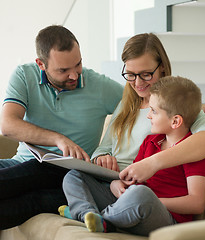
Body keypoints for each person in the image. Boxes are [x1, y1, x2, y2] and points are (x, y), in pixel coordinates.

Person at [0, 25, 123, 229]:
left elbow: (144, 105)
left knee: (32, 182)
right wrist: (58, 139)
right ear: (41, 64)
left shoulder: (101, 87)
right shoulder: (24, 75)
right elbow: (7, 125)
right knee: (27, 172)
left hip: (68, 176)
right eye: (63, 70)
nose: (74, 75)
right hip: (20, 164)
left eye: (78, 64)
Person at [63, 76, 205, 235]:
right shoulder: (150, 141)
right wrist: (116, 184)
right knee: (74, 175)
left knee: (142, 195)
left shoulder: (192, 152)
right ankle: (87, 214)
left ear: (175, 121)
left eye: (154, 111)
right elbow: (131, 180)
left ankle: (94, 217)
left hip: (163, 217)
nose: (148, 115)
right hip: (130, 205)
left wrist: (154, 201)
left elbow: (197, 203)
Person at [91, 33, 205, 180]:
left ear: (162, 68)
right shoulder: (125, 104)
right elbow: (103, 149)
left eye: (146, 74)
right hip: (111, 180)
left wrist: (152, 163)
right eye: (130, 75)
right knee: (73, 176)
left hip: (138, 185)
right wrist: (101, 157)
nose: (138, 83)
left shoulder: (177, 104)